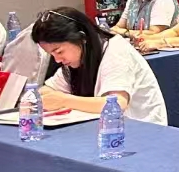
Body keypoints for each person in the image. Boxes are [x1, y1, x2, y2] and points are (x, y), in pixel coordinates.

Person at [35, 8, 167, 125]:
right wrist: (51, 98)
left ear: (82, 38)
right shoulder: (77, 58)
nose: (57, 60)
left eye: (59, 52)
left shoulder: (116, 51)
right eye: (51, 54)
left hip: (141, 130)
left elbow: (117, 104)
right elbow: (47, 90)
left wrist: (64, 100)